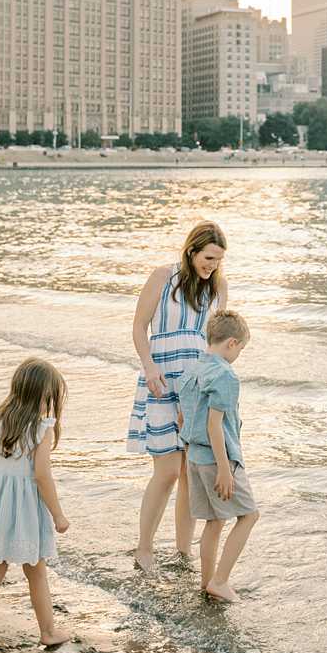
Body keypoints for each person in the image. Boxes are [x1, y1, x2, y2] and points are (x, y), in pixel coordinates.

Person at [126, 221, 229, 573]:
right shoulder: (162, 277)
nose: (212, 265)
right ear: (192, 251)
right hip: (161, 379)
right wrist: (149, 366)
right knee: (167, 470)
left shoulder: (218, 288)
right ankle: (144, 549)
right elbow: (139, 326)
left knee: (190, 471)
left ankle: (183, 553)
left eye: (218, 260)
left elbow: (215, 345)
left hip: (196, 385)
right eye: (208, 258)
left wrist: (207, 392)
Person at [0, 359, 71, 648]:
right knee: (36, 572)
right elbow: (42, 475)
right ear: (43, 396)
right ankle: (47, 632)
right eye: (50, 396)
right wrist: (58, 515)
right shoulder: (41, 428)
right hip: (24, 511)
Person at [177, 309, 259, 603]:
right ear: (232, 343)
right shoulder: (224, 374)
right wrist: (225, 469)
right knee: (249, 515)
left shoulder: (192, 369)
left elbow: (183, 419)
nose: (238, 355)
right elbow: (214, 426)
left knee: (214, 521)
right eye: (241, 349)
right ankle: (221, 581)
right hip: (216, 459)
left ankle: (207, 583)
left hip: (195, 458)